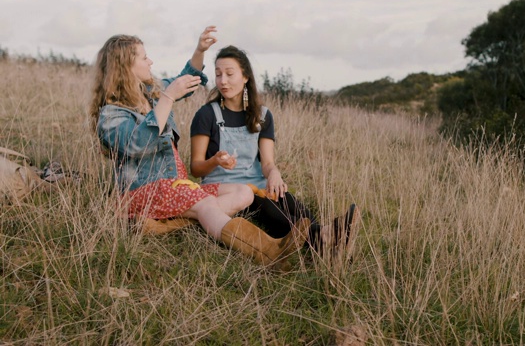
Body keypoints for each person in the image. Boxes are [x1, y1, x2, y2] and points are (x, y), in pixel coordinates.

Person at [89, 27, 308, 268]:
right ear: (125, 66)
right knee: (205, 205)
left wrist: (200, 50)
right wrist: (168, 98)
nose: (150, 61)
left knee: (243, 193)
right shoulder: (112, 115)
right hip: (143, 192)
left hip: (173, 186)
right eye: (143, 57)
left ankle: (165, 225)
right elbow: (138, 144)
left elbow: (188, 79)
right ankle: (268, 251)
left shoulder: (150, 93)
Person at [189, 45, 359, 255]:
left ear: (245, 77)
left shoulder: (262, 115)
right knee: (265, 205)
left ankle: (325, 244)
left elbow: (267, 163)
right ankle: (322, 237)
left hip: (257, 183)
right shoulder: (206, 115)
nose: (223, 81)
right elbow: (196, 169)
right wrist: (214, 160)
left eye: (229, 74)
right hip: (227, 189)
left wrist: (275, 174)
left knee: (289, 201)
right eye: (218, 74)